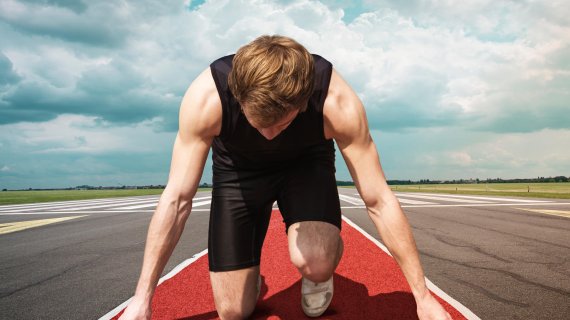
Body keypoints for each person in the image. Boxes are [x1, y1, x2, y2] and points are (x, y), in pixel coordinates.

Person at [119, 35, 452, 320]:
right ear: (238, 95)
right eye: (257, 122)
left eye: (280, 124)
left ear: (305, 101)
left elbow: (378, 198)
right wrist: (143, 297)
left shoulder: (336, 101)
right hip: (239, 170)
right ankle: (248, 272)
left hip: (305, 164)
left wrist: (422, 297)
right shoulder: (207, 98)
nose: (267, 134)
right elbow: (177, 199)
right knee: (234, 311)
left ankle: (319, 275)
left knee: (316, 261)